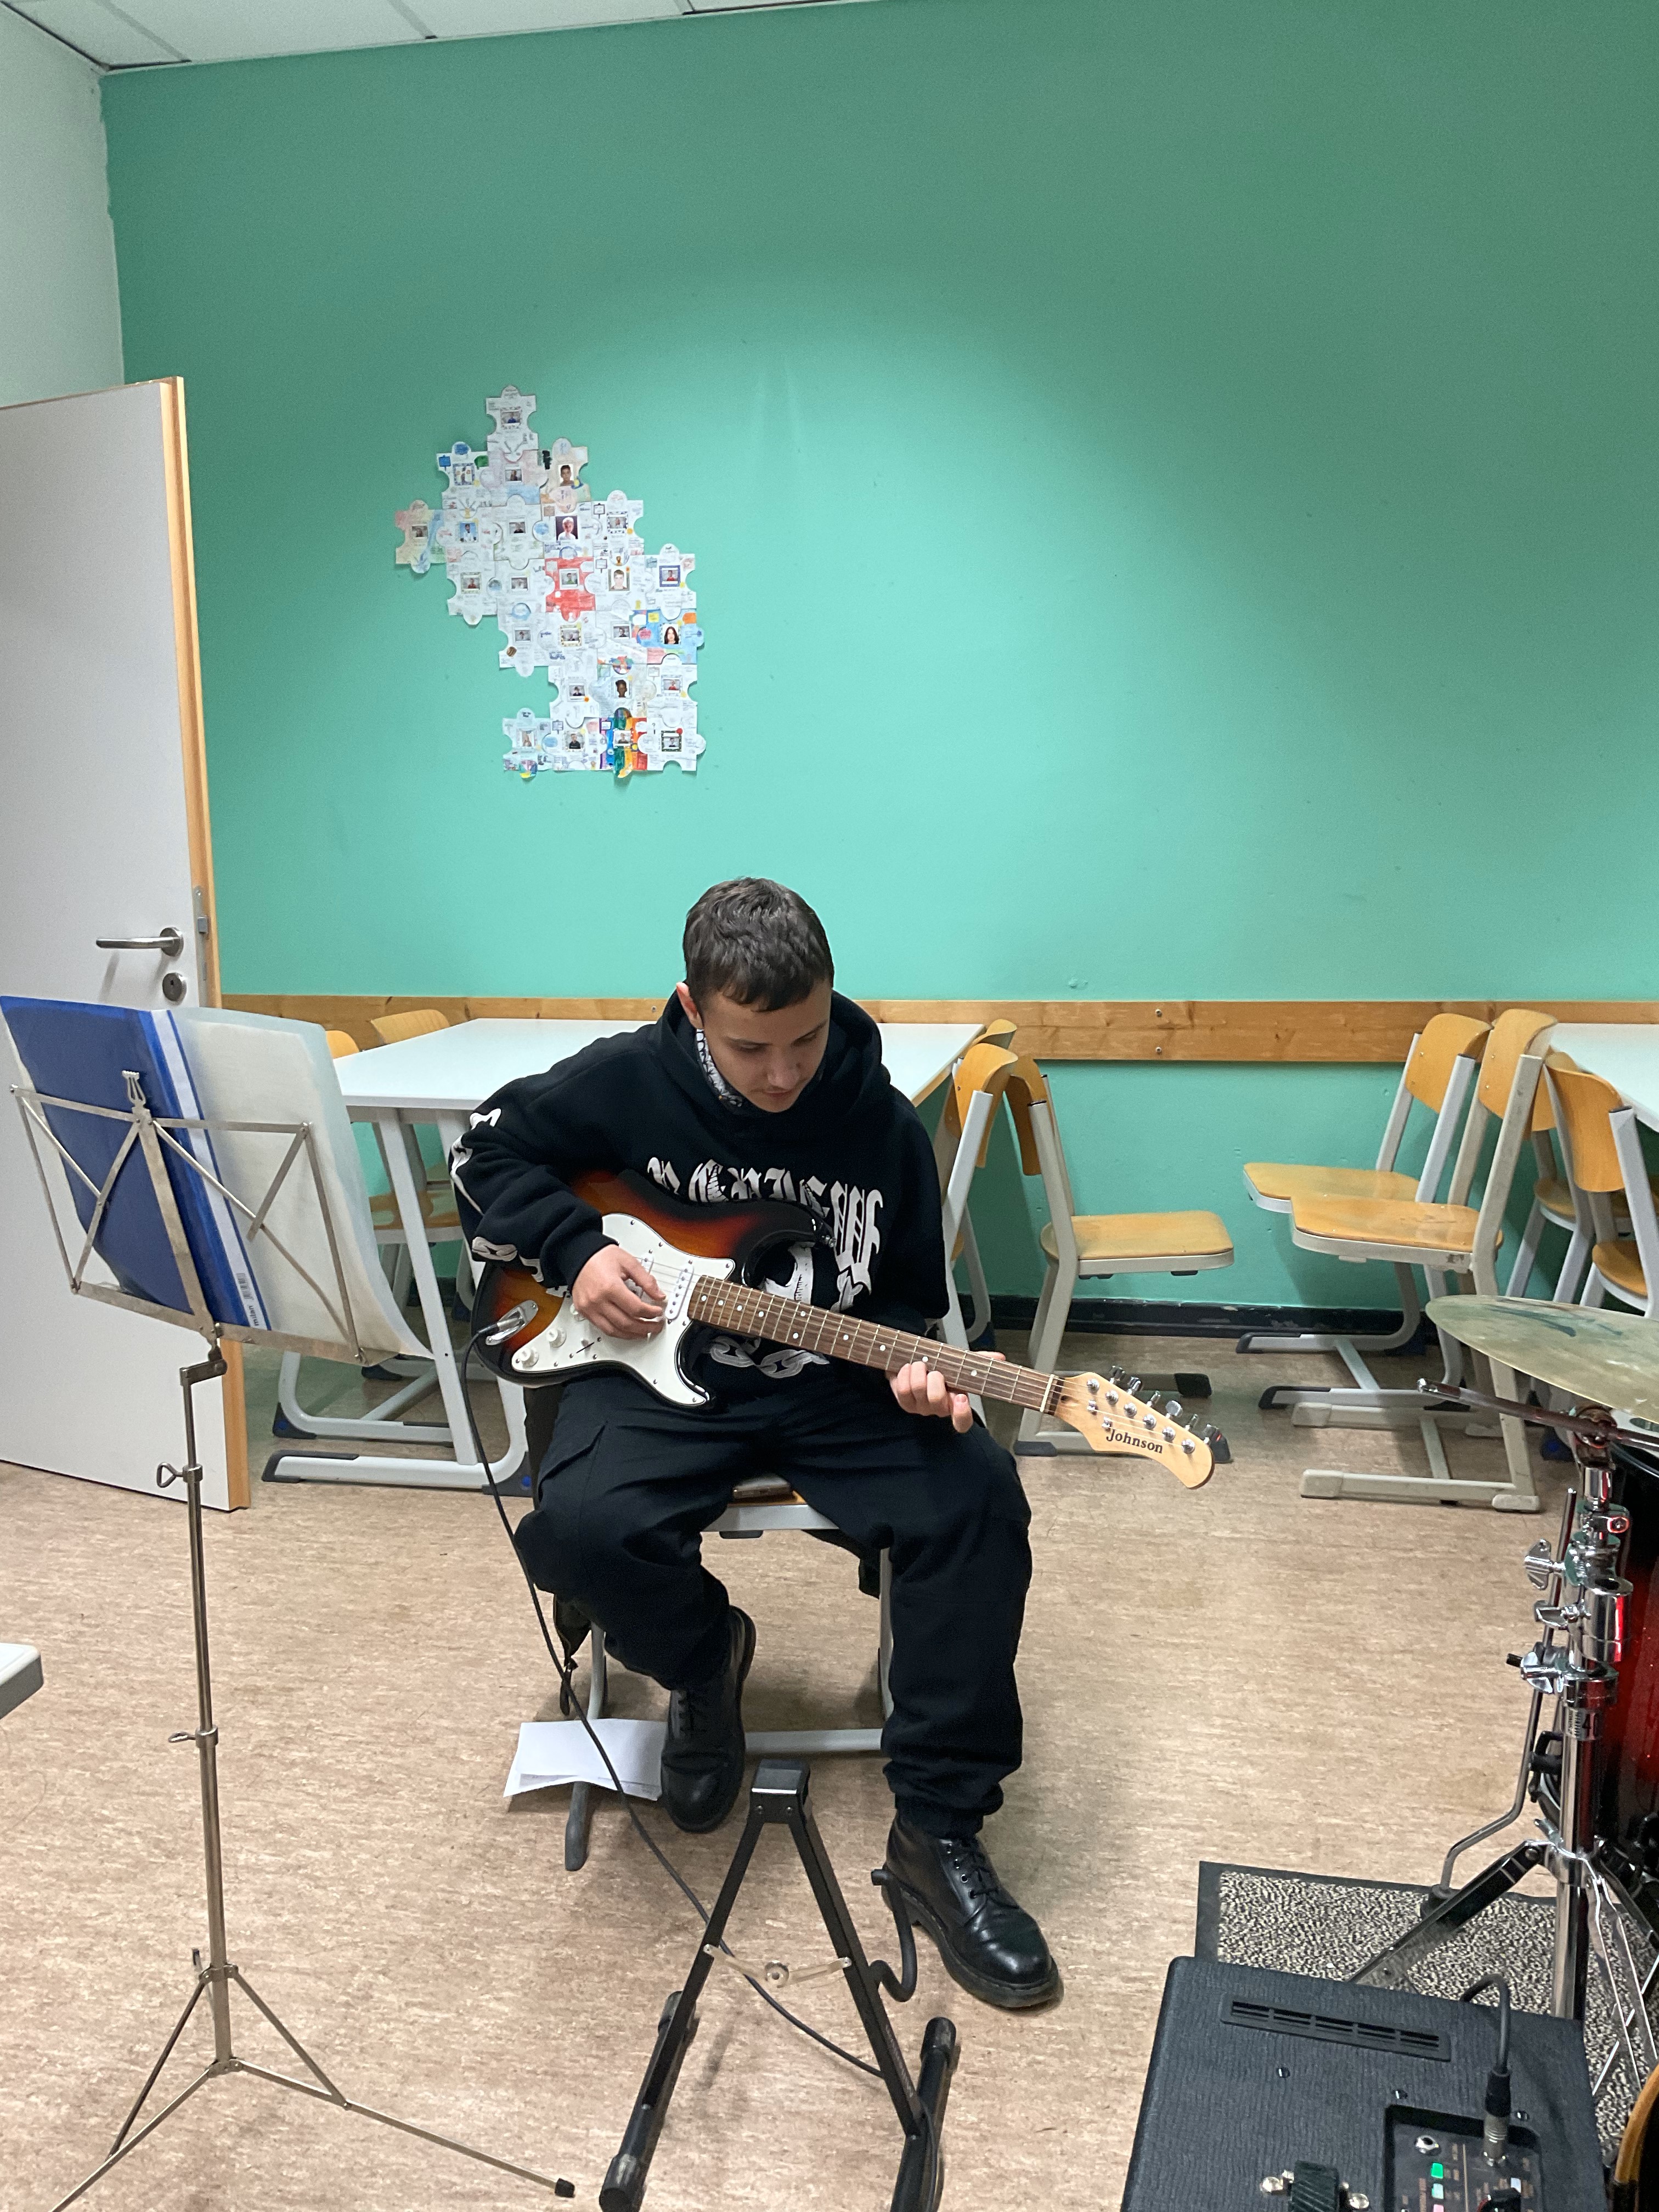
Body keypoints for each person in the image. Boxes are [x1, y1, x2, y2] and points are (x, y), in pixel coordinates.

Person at [451, 880, 1058, 2011]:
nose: (784, 1074)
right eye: (750, 1048)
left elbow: (907, 1305)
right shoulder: (623, 1080)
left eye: (807, 1038)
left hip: (832, 1382)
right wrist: (578, 1249)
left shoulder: (880, 1124)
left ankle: (939, 1830)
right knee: (578, 1530)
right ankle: (702, 1660)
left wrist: (920, 1370)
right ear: (693, 1010)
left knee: (977, 1500)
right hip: (649, 1373)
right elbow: (485, 1156)